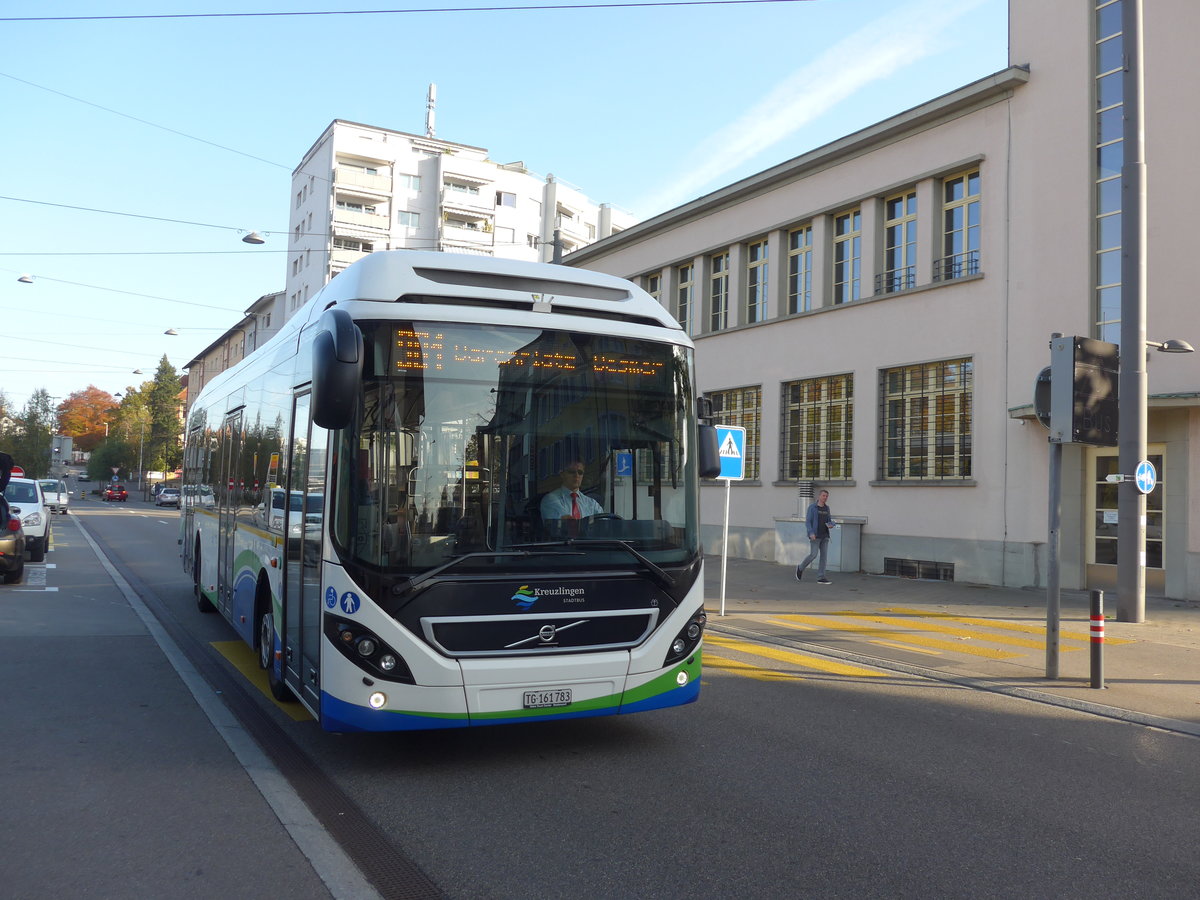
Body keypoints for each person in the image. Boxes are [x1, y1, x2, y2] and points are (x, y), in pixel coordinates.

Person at [540, 460, 603, 526]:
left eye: (580, 472)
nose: (576, 475)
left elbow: (603, 526)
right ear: (562, 474)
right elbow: (561, 528)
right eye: (572, 472)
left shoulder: (592, 504)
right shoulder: (551, 500)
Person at [795, 489, 836, 585]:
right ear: (819, 496)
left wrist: (831, 524)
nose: (825, 498)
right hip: (815, 535)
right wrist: (811, 532)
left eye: (826, 496)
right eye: (823, 496)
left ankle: (821, 577)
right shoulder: (812, 508)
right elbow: (808, 522)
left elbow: (829, 520)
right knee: (813, 555)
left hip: (825, 535)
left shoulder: (827, 508)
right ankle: (800, 568)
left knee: (824, 557)